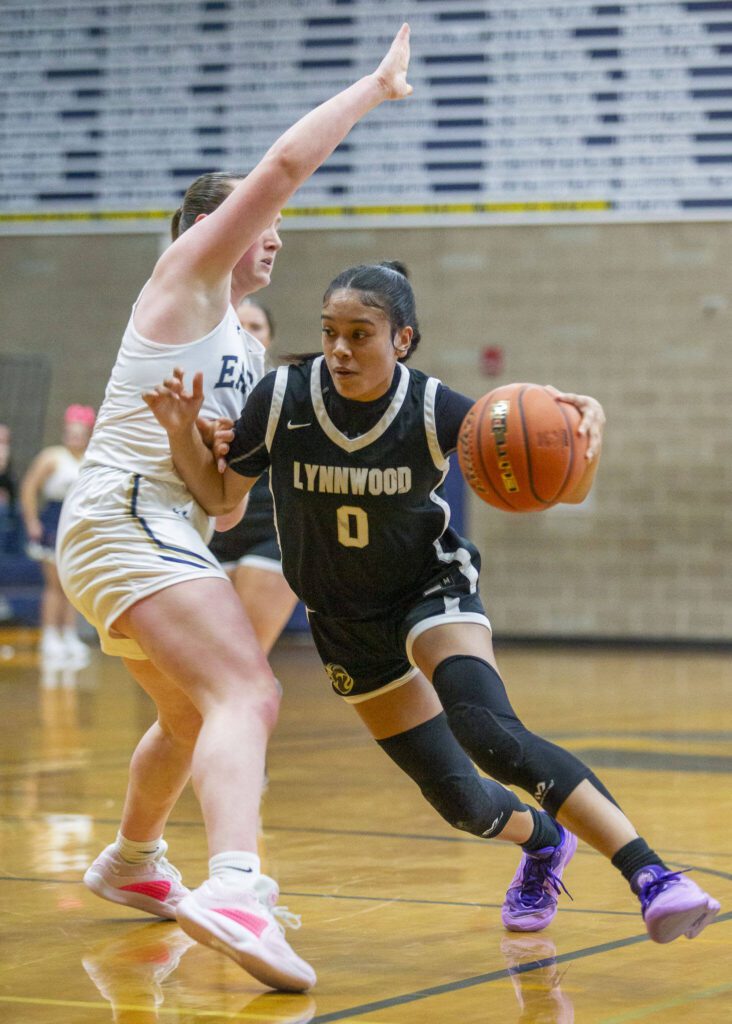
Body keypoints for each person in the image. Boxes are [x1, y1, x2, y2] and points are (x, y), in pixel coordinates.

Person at [145, 260, 720, 950]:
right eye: (331, 332)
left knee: (487, 730)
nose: (340, 349)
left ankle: (655, 877)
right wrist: (182, 431)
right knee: (462, 801)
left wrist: (584, 440)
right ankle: (544, 843)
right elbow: (221, 501)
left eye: (361, 334)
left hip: (429, 590)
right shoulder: (282, 400)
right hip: (345, 622)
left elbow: (560, 490)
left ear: (403, 340)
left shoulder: (436, 408)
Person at [56, 27, 413, 994]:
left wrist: (193, 444)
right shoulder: (187, 278)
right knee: (248, 693)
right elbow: (286, 161)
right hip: (120, 516)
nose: (277, 237)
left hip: (156, 524)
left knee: (186, 714)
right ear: (217, 228)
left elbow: (223, 507)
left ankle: (133, 860)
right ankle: (236, 888)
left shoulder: (248, 362)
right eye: (264, 224)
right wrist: (375, 89)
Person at [209, 298, 298, 655]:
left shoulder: (287, 395)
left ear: (270, 338)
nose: (246, 334)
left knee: (247, 657)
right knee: (212, 663)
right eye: (237, 326)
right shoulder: (205, 395)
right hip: (214, 531)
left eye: (256, 327)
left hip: (272, 533)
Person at [20, 406, 96, 666]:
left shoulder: (93, 458)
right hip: (53, 520)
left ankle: (69, 634)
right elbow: (29, 487)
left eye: (79, 432)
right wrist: (32, 521)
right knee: (55, 584)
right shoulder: (52, 456)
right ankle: (50, 635)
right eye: (70, 432)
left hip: (78, 523)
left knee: (72, 585)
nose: (74, 436)